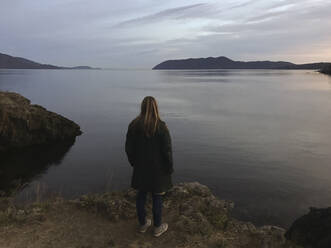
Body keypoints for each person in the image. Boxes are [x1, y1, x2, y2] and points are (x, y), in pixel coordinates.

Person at [125, 96, 173, 237]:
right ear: (155, 108)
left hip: (140, 168)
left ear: (142, 107)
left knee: (141, 195)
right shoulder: (161, 127)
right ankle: (158, 227)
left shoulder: (133, 125)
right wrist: (169, 167)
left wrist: (134, 162)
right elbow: (167, 151)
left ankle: (143, 224)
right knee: (157, 197)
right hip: (158, 170)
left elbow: (129, 149)